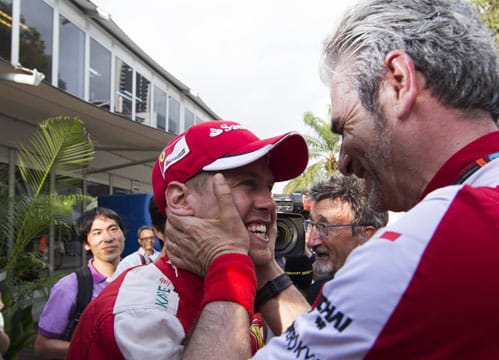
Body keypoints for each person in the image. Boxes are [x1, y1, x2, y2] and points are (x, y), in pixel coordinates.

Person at [163, 0, 499, 358]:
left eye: (345, 126)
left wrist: (227, 259)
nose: (342, 160)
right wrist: (264, 267)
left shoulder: (434, 243)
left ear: (398, 83)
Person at [66, 120, 309, 359]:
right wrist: (230, 263)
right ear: (180, 201)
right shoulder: (137, 314)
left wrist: (265, 266)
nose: (268, 203)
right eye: (247, 184)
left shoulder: (256, 283)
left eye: (268, 187)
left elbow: (323, 352)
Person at [35, 207, 125, 359]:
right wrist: (95, 350)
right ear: (86, 244)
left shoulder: (139, 278)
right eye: (97, 233)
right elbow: (43, 345)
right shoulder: (71, 286)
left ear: (123, 235)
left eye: (113, 229)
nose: (108, 238)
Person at [304, 174, 388, 304]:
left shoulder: (390, 299)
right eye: (311, 226)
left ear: (366, 236)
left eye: (324, 227)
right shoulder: (318, 291)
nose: (311, 241)